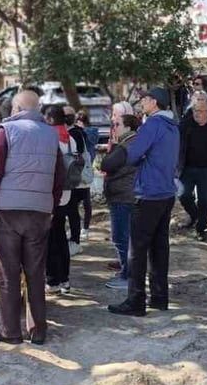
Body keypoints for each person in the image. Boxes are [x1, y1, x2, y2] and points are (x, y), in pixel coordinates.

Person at [0, 89, 65, 345]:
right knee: (35, 273)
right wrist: (50, 205)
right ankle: (38, 330)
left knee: (7, 273)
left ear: (16, 109)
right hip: (39, 211)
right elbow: (58, 175)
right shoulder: (52, 135)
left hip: (6, 210)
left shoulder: (6, 131)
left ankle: (11, 332)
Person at [109, 87, 180, 317]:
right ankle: (159, 298)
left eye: (145, 99)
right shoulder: (173, 126)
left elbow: (134, 153)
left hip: (148, 193)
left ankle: (135, 300)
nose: (142, 103)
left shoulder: (152, 125)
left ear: (155, 102)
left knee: (137, 249)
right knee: (160, 247)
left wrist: (119, 153)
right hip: (166, 191)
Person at [177, 91, 207, 241]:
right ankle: (195, 216)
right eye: (194, 110)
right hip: (187, 168)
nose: (197, 113)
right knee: (184, 195)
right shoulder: (185, 125)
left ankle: (201, 228)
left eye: (200, 111)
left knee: (205, 201)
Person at [98, 114, 140, 289]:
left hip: (123, 196)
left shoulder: (126, 145)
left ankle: (127, 276)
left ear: (129, 127)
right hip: (125, 195)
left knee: (121, 237)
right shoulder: (131, 143)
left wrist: (113, 145)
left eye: (118, 124)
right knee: (126, 237)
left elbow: (106, 164)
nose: (114, 127)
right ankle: (127, 272)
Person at [44, 105, 79, 294]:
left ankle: (53, 280)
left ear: (49, 119)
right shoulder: (70, 138)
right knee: (61, 237)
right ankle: (64, 278)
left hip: (52, 193)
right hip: (67, 193)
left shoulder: (49, 138)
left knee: (51, 238)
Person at [64, 106, 92, 249]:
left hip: (76, 179)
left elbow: (77, 155)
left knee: (72, 210)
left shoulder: (74, 133)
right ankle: (75, 237)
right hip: (78, 179)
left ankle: (75, 241)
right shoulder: (78, 132)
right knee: (73, 209)